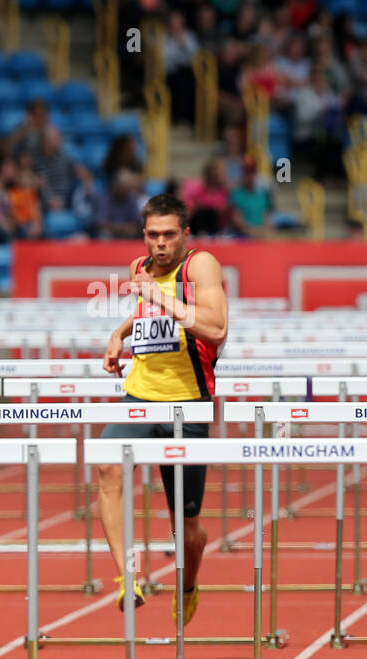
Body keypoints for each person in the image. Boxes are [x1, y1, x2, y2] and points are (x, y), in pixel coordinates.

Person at [99, 194, 229, 623]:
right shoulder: (138, 269)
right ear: (143, 235)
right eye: (153, 235)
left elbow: (216, 327)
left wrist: (161, 298)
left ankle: (188, 583)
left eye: (169, 234)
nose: (160, 244)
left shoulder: (199, 265)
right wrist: (120, 333)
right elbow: (147, 313)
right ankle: (127, 578)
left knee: (186, 529)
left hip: (187, 404)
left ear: (185, 234)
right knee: (107, 465)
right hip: (139, 396)